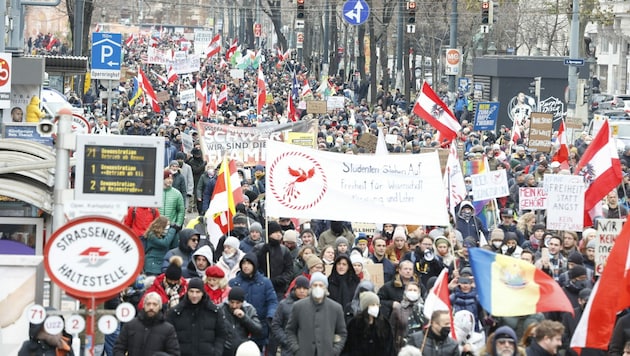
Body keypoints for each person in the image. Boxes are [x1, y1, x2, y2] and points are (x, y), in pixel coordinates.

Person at [285, 272, 347, 356]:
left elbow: (342, 333)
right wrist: (296, 349)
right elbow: (290, 331)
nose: (318, 288)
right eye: (315, 285)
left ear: (326, 287)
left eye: (321, 285)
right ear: (310, 287)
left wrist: (334, 351)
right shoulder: (298, 306)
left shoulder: (336, 308)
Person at [228, 252, 279, 351]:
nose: (246, 266)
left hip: (259, 326)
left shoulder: (265, 282)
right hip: (238, 327)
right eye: (244, 263)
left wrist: (270, 316)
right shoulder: (234, 282)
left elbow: (272, 301)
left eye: (249, 263)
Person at [167, 278, 226, 356]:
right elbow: (169, 337)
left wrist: (216, 352)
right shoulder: (175, 312)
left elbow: (221, 335)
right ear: (187, 292)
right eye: (191, 291)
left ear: (203, 293)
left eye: (198, 292)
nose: (194, 295)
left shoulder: (215, 312)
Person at [113, 292, 180, 356]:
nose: (151, 307)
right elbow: (118, 348)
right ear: (144, 305)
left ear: (160, 307)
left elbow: (174, 353)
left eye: (155, 304)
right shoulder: (130, 325)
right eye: (148, 304)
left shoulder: (168, 329)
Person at [343, 291, 395, 356]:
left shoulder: (384, 324)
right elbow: (349, 347)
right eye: (373, 305)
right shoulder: (354, 324)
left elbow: (390, 348)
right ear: (366, 307)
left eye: (377, 305)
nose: (376, 307)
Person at [271, 276, 311, 355]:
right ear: (295, 288)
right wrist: (287, 341)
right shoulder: (284, 304)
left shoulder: (313, 305)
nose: (302, 291)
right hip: (288, 350)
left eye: (305, 288)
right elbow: (275, 325)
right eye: (299, 288)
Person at [254, 221, 294, 300]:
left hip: (279, 290)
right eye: (275, 232)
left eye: (279, 232)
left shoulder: (284, 250)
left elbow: (289, 269)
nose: (278, 234)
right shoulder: (259, 248)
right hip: (261, 288)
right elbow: (254, 265)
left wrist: (280, 280)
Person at [221, 286, 264, 356]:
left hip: (242, 350)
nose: (234, 306)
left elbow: (258, 330)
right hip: (224, 351)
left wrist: (244, 318)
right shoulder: (221, 309)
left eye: (237, 303)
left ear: (242, 302)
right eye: (232, 302)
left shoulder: (249, 309)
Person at [390, 281, 427, 353]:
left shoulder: (424, 309)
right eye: (410, 290)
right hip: (402, 348)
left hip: (421, 348)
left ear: (419, 293)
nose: (412, 292)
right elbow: (392, 330)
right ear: (405, 292)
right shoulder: (398, 309)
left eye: (415, 290)